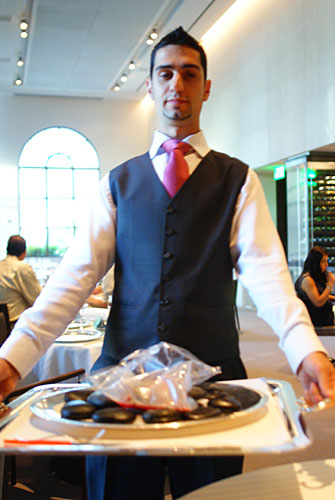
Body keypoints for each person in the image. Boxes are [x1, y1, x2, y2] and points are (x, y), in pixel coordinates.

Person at [0, 27, 334, 500]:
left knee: (212, 495)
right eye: (166, 73)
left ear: (206, 87)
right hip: (121, 381)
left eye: (190, 74)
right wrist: (11, 361)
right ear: (151, 86)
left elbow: (270, 277)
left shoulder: (237, 180)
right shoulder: (117, 183)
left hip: (213, 383)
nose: (178, 84)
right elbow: (71, 283)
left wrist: (305, 349)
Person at [0, 235, 41, 330]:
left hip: (3, 325)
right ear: (24, 252)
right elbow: (37, 299)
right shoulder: (22, 268)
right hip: (15, 326)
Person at [295, 246, 335, 326]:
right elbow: (318, 302)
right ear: (316, 262)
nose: (326, 265)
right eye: (323, 262)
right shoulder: (307, 281)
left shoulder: (314, 278)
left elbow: (317, 295)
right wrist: (330, 285)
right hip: (318, 321)